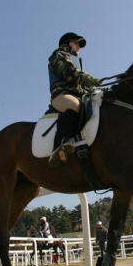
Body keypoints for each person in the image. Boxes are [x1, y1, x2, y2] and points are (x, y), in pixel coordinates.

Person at [47, 32, 102, 166]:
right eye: (76, 43)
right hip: (61, 95)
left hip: (78, 95)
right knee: (74, 105)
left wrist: (98, 90)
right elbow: (71, 73)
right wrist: (93, 80)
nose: (78, 47)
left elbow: (81, 86)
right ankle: (57, 148)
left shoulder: (74, 60)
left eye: (79, 44)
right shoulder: (59, 55)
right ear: (67, 43)